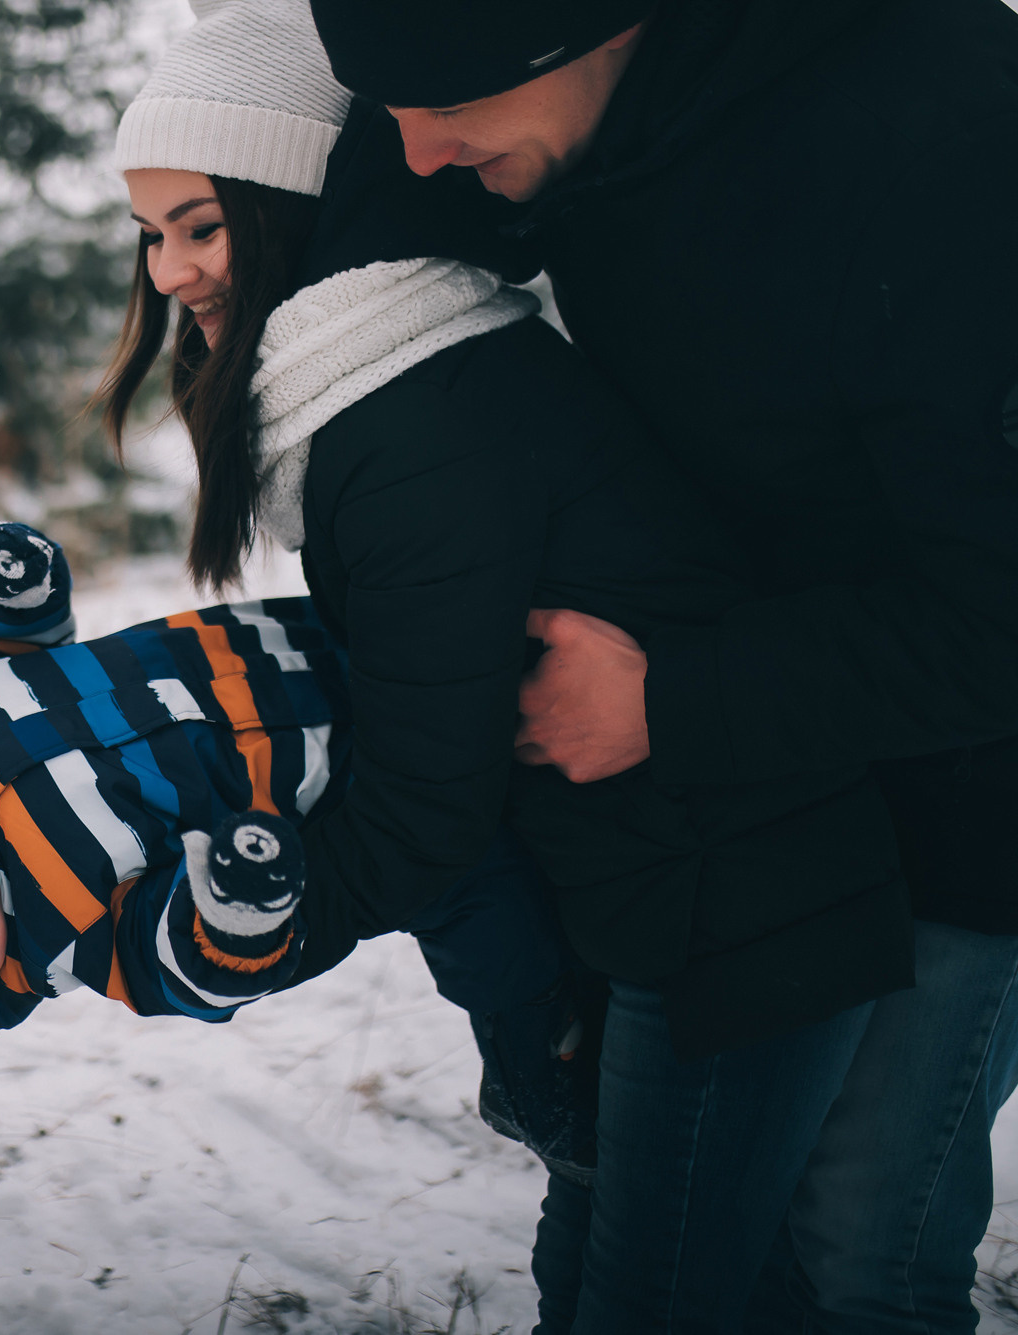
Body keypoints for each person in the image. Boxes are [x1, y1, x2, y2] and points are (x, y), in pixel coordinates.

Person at [103, 0, 915, 1329]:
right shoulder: (381, 379)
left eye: (200, 225)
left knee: (650, 1302)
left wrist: (235, 933)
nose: (170, 271)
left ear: (297, 202)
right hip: (665, 898)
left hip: (735, 915)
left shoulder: (413, 417)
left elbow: (424, 803)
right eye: (148, 234)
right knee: (634, 1286)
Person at [306, 0, 1018, 1328]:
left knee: (856, 1241)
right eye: (384, 108)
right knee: (729, 1243)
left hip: (971, 789)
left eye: (442, 105)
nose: (416, 154)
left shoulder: (944, 142)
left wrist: (672, 700)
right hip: (768, 776)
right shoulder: (537, 106)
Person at [0, 521, 592, 1166]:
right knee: (484, 908)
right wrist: (230, 910)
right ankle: (540, 1065)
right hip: (367, 777)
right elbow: (189, 966)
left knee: (469, 631)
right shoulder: (76, 938)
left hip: (293, 646)